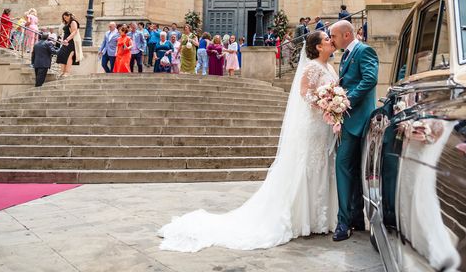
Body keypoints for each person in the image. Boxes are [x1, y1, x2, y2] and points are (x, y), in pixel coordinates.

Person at [158, 30, 339, 251]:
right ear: (319, 47)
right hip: (314, 125)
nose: (331, 41)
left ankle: (321, 217)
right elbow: (304, 92)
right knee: (308, 167)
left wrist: (334, 104)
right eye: (327, 39)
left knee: (322, 166)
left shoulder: (330, 67)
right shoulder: (311, 67)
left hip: (325, 126)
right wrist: (326, 103)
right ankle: (303, 218)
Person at [329, 20, 379, 241]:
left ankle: (343, 222)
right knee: (353, 169)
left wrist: (346, 101)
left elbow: (370, 79)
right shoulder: (347, 54)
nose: (332, 40)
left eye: (334, 36)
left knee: (342, 166)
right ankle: (356, 218)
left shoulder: (364, 50)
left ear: (347, 35)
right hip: (349, 120)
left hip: (358, 119)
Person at [56, 11, 82, 78]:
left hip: (71, 42)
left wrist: (67, 39)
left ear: (69, 16)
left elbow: (74, 31)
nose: (65, 18)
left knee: (69, 56)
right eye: (64, 18)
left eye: (66, 17)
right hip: (65, 42)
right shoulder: (66, 23)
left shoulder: (73, 22)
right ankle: (62, 71)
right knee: (61, 55)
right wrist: (63, 40)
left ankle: (67, 72)